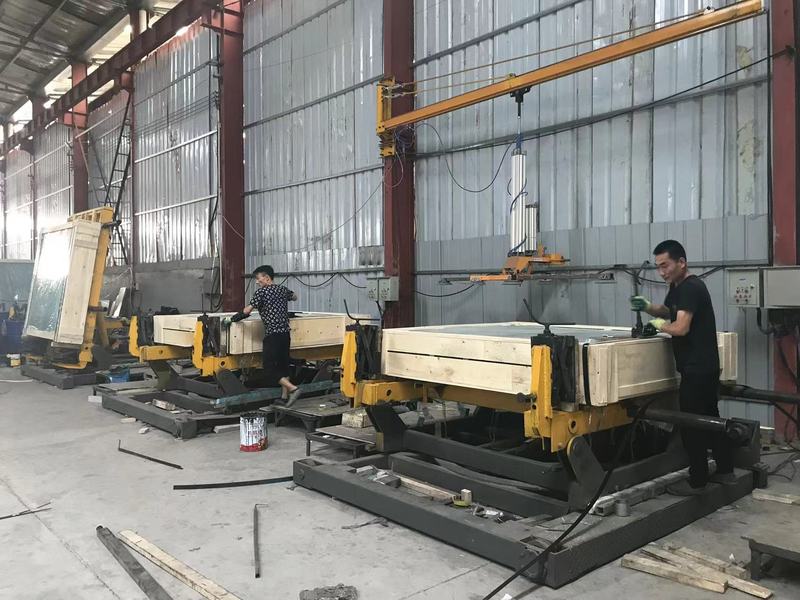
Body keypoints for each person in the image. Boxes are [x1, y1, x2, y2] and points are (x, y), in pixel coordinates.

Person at [630, 240, 734, 495]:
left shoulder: (691, 288)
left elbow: (680, 327)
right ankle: (726, 470)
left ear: (682, 262)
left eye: (665, 265)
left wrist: (657, 325)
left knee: (691, 424)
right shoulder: (677, 287)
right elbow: (669, 311)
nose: (661, 272)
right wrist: (648, 307)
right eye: (658, 267)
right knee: (710, 419)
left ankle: (698, 481)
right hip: (703, 366)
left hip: (697, 368)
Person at [224, 265, 302, 406]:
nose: (257, 282)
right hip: (285, 334)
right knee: (283, 366)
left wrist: (232, 319)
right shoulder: (282, 289)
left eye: (258, 278)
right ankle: (284, 397)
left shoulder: (262, 292)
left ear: (266, 278)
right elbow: (295, 297)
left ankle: (293, 389)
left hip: (272, 335)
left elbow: (247, 311)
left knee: (269, 369)